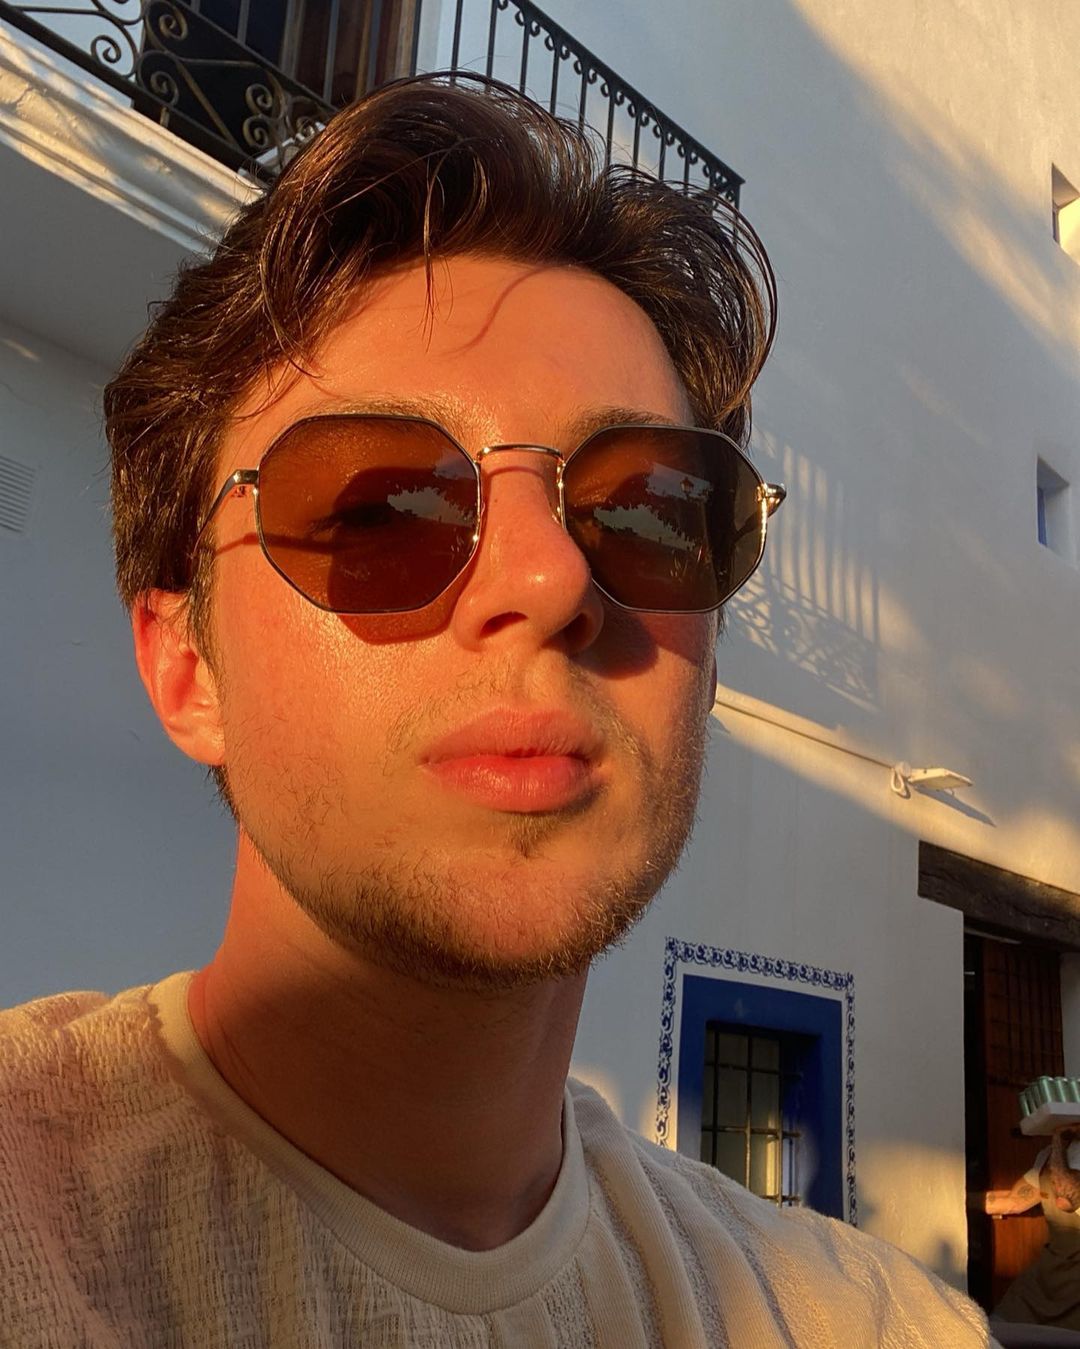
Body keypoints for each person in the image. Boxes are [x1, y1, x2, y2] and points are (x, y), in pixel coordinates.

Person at [0, 74, 997, 1346]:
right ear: (188, 666)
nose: (550, 578)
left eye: (648, 509)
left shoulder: (872, 1322)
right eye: (380, 506)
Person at [986, 1128, 1080, 1334]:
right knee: (995, 1334)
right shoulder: (1049, 1156)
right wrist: (958, 1201)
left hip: (1076, 1289)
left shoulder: (1057, 1154)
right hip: (1045, 1280)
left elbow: (1067, 1197)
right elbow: (1013, 1201)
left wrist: (1056, 1134)